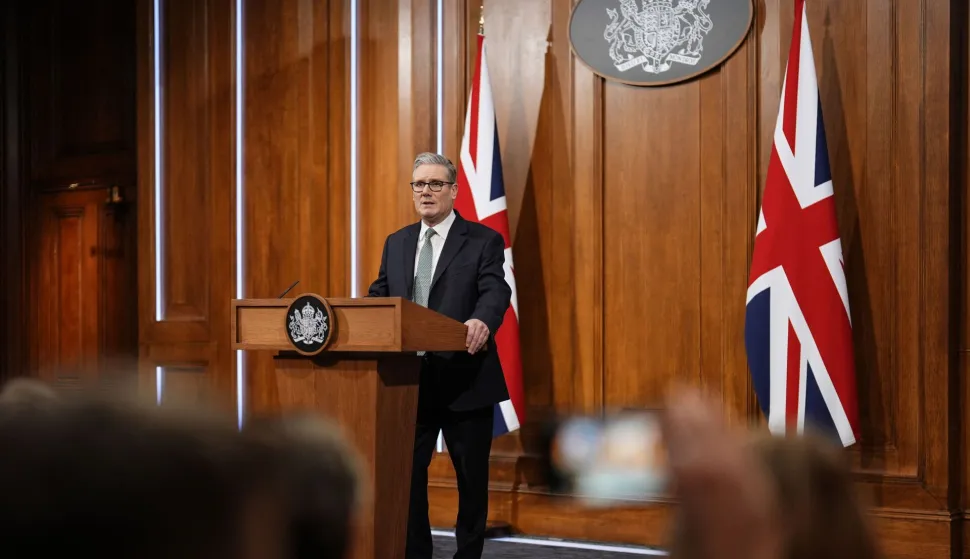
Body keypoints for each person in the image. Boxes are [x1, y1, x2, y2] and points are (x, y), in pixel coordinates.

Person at [367, 152, 512, 559]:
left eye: (435, 184)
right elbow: (381, 297)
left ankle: (468, 555)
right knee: (409, 480)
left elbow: (495, 289)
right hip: (409, 383)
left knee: (470, 481)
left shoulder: (483, 239)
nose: (425, 192)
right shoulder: (396, 242)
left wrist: (482, 320)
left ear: (453, 190)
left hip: (466, 376)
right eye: (418, 184)